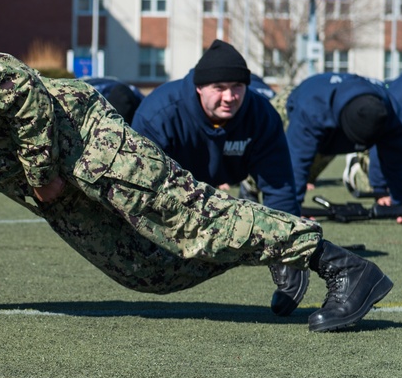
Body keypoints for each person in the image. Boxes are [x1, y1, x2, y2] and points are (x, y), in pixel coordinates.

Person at [0, 8, 393, 332]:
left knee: (188, 220)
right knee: (147, 271)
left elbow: (23, 88)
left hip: (79, 142)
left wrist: (41, 170)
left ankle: (340, 266)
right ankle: (268, 245)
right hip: (45, 186)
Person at [131, 40, 307, 316]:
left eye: (237, 87)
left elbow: (280, 187)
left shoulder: (261, 115)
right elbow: (140, 189)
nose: (230, 97)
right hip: (169, 191)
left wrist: (290, 255)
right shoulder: (158, 114)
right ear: (199, 87)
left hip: (226, 179)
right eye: (219, 88)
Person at [276, 73, 402, 209]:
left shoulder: (394, 115)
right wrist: (291, 211)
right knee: (267, 150)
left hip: (335, 116)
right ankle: (253, 191)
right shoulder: (312, 109)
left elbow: (398, 160)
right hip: (294, 101)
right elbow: (295, 163)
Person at [343, 66, 402, 206]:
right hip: (381, 134)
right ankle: (358, 161)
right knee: (369, 188)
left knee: (400, 175)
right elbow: (383, 140)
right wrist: (380, 189)